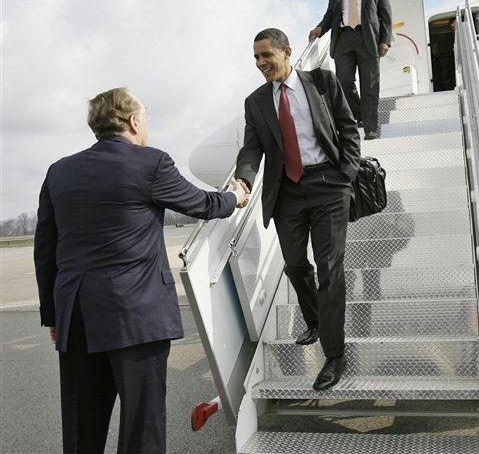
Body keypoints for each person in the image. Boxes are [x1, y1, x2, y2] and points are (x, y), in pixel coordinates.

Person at [34, 87, 248, 454]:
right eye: (145, 116)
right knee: (142, 428)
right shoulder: (150, 163)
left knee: (82, 429)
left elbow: (45, 250)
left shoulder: (59, 171)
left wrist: (55, 316)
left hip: (77, 317)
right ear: (133, 122)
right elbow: (202, 204)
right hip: (135, 318)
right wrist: (236, 196)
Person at [235, 28, 360, 391]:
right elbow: (251, 148)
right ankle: (316, 320)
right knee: (294, 263)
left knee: (329, 269)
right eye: (255, 58)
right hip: (287, 192)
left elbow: (347, 127)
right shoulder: (256, 102)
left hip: (328, 185)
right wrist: (243, 179)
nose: (260, 63)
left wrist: (347, 174)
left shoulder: (322, 82)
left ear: (287, 51)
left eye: (266, 55)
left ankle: (334, 355)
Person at [309, 0, 392, 140]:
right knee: (343, 82)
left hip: (368, 38)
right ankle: (360, 114)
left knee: (369, 85)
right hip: (343, 38)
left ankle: (371, 128)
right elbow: (330, 15)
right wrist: (319, 29)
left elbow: (386, 15)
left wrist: (385, 40)